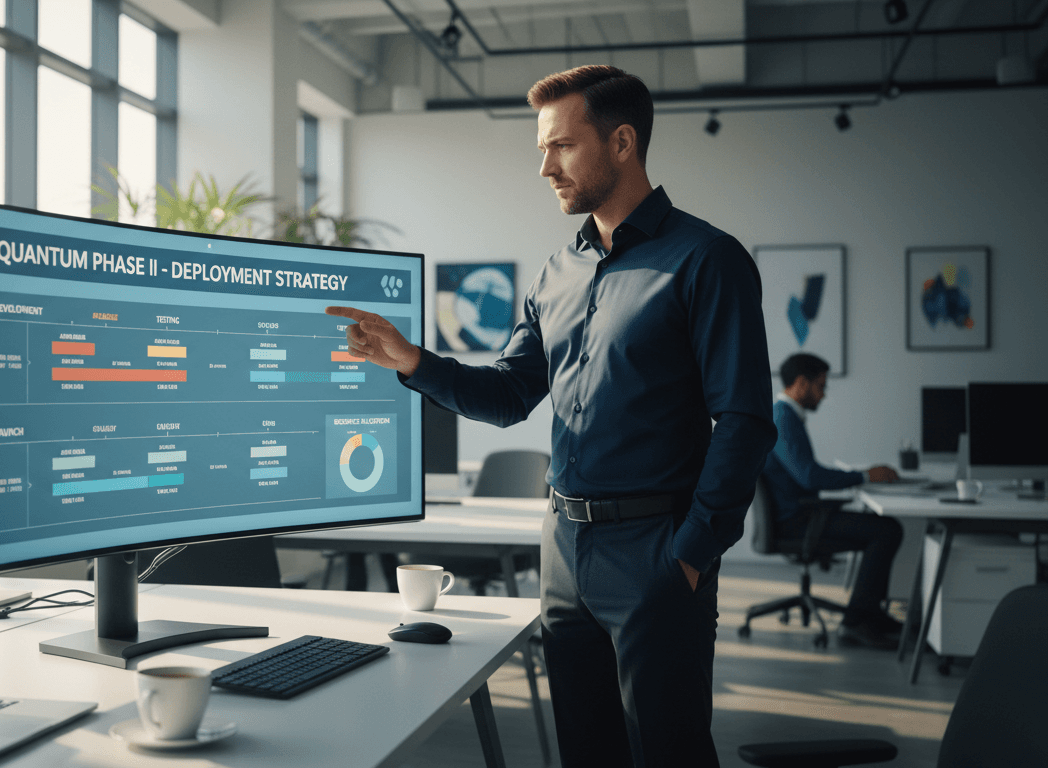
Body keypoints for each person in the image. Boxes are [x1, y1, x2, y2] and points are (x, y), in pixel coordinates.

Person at [327, 65, 776, 768]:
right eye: (543, 149)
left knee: (670, 753)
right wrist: (414, 361)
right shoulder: (556, 272)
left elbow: (745, 421)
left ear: (622, 142)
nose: (545, 167)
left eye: (562, 146)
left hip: (656, 552)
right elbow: (509, 395)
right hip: (563, 547)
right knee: (585, 753)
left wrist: (691, 554)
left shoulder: (707, 260)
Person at [760, 353, 905, 648]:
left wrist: (857, 475)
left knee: (884, 528)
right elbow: (809, 477)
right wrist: (864, 476)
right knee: (887, 530)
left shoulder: (785, 416)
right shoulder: (783, 419)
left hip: (799, 515)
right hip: (797, 523)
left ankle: (869, 615)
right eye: (821, 386)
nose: (824, 394)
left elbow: (806, 474)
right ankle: (857, 622)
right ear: (802, 384)